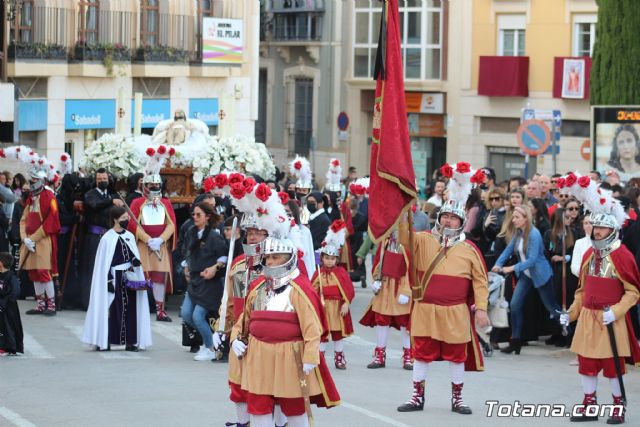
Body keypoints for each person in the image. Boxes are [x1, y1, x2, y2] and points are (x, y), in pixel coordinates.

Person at [396, 162, 489, 415]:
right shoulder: (423, 239)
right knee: (422, 354)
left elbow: (480, 282)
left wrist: (480, 308)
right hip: (425, 309)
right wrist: (404, 212)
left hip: (455, 311)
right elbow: (404, 238)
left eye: (453, 217)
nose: (448, 220)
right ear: (439, 218)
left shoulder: (470, 250)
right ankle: (417, 396)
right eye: (445, 216)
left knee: (456, 355)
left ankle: (457, 399)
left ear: (461, 221)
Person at [230, 233, 340, 427]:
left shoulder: (300, 289)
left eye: (276, 257)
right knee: (258, 405)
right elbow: (243, 322)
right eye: (268, 257)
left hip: (290, 357)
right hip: (258, 355)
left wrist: (310, 356)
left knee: (294, 406)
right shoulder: (257, 288)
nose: (270, 262)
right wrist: (236, 339)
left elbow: (312, 328)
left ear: (289, 258)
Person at [559, 175, 640, 424]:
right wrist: (571, 313)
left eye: (602, 228)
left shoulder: (623, 255)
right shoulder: (588, 255)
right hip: (587, 318)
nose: (596, 231)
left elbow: (633, 292)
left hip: (610, 319)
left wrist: (615, 311)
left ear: (612, 230)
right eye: (594, 227)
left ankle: (617, 405)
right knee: (587, 364)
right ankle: (589, 403)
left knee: (612, 366)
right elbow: (581, 291)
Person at [81, 206, 152, 352]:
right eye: (123, 219)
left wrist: (134, 261)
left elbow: (131, 253)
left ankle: (131, 341)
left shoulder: (130, 236)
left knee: (131, 309)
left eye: (127, 218)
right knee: (113, 310)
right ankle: (106, 340)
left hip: (129, 277)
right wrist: (107, 281)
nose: (126, 221)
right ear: (115, 219)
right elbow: (104, 263)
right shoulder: (107, 238)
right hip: (114, 277)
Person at [492, 205, 561, 355]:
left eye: (516, 217)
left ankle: (569, 331)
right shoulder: (518, 233)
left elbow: (532, 260)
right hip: (526, 275)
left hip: (541, 275)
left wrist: (512, 268)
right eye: (513, 217)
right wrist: (498, 264)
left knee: (552, 308)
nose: (513, 220)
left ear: (525, 219)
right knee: (515, 305)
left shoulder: (534, 234)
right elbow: (508, 250)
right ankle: (516, 341)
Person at [128, 154, 177, 322]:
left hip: (160, 246)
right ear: (145, 185)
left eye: (157, 184)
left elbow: (171, 224)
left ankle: (160, 309)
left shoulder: (166, 203)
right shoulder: (136, 202)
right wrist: (147, 239)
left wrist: (161, 239)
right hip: (143, 245)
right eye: (151, 184)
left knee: (159, 277)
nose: (154, 186)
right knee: (141, 276)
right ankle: (138, 308)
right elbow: (133, 224)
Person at [359, 228, 413, 370]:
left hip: (400, 286)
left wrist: (407, 291)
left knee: (404, 321)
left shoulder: (409, 241)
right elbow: (379, 261)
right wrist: (376, 279)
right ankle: (380, 355)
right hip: (385, 285)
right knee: (381, 319)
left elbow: (412, 268)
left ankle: (408, 355)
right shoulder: (385, 241)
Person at [182, 202, 228, 361]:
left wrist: (214, 268)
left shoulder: (215, 236)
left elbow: (223, 256)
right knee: (186, 314)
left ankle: (210, 348)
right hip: (194, 279)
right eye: (193, 214)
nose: (195, 217)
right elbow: (186, 251)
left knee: (197, 316)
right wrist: (186, 266)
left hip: (209, 282)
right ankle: (210, 337)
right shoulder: (190, 232)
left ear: (207, 216)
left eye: (198, 215)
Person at [311, 221, 355, 369]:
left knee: (337, 333)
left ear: (336, 259)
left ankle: (339, 357)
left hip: (337, 308)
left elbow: (348, 289)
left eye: (332, 258)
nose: (329, 261)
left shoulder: (341, 273)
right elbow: (312, 290)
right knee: (323, 334)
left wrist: (346, 303)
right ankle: (320, 359)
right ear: (322, 258)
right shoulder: (318, 273)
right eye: (327, 258)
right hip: (323, 308)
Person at [80, 169, 124, 310]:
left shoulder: (113, 195)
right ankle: (89, 302)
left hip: (109, 237)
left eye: (104, 178)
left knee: (108, 270)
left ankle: (106, 301)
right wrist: (111, 201)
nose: (102, 181)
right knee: (93, 269)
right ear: (96, 180)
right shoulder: (90, 194)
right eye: (99, 179)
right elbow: (95, 205)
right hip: (94, 238)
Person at [21, 169, 61, 316]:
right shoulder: (31, 197)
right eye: (30, 180)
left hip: (43, 240)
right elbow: (23, 219)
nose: (31, 183)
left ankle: (51, 305)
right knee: (33, 273)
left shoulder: (50, 197)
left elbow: (52, 221)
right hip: (29, 241)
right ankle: (40, 304)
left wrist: (32, 238)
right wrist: (24, 238)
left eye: (34, 180)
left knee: (44, 272)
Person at [0, 252, 23, 356]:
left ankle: (8, 347)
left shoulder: (11, 276)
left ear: (1, 263)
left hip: (8, 307)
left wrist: (6, 301)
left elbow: (15, 291)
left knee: (8, 327)